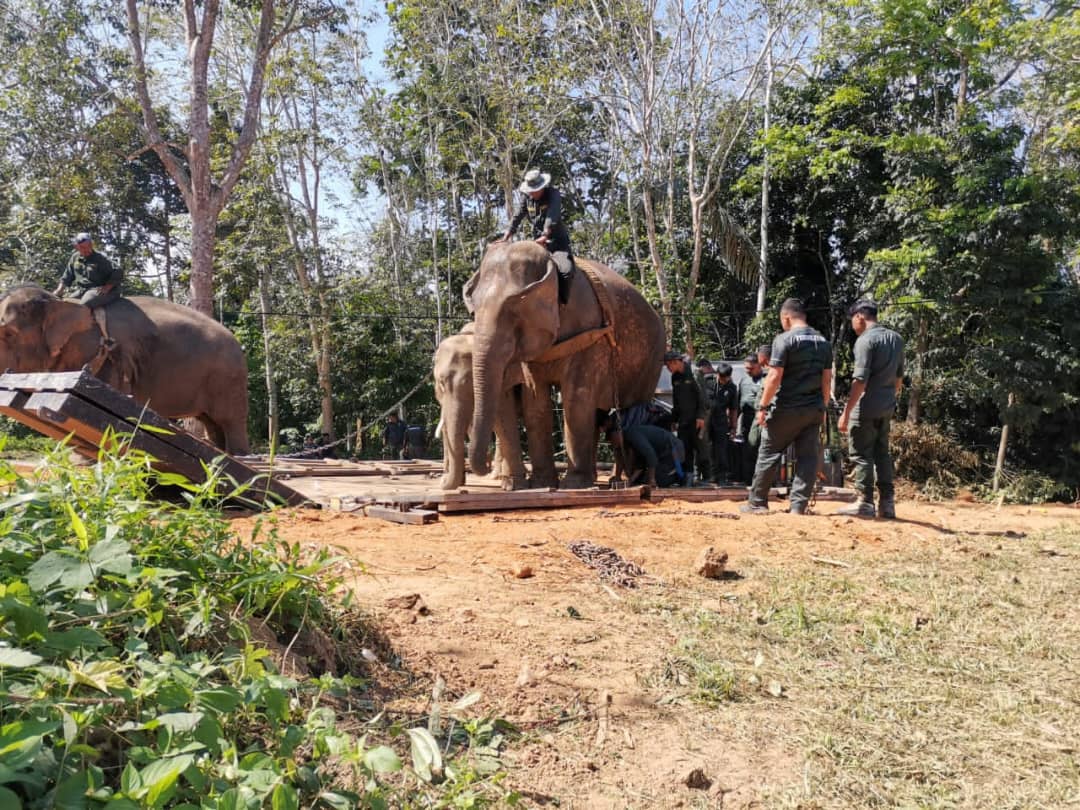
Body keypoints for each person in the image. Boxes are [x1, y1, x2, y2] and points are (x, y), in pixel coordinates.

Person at [741, 298, 833, 515]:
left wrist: (762, 407)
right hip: (813, 410)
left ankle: (757, 503)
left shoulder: (784, 340)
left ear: (786, 317)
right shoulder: (823, 342)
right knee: (808, 457)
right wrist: (823, 408)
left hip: (787, 409)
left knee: (769, 452)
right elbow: (827, 379)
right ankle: (798, 507)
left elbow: (774, 376)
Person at [836, 300, 905, 519]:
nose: (852, 326)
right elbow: (899, 378)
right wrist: (889, 400)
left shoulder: (865, 341)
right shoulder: (897, 339)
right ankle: (887, 503)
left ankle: (864, 502)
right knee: (882, 453)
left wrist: (846, 413)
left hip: (865, 407)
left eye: (852, 321)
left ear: (859, 317)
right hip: (886, 406)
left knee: (862, 455)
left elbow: (859, 381)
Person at [499, 169, 575, 304]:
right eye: (530, 191)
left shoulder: (553, 194)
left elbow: (552, 215)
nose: (532, 193)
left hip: (556, 242)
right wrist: (508, 232)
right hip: (536, 243)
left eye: (535, 190)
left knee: (566, 271)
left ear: (542, 187)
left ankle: (562, 303)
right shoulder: (527, 198)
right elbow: (518, 215)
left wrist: (546, 234)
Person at [665, 351, 711, 484]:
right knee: (684, 448)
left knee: (701, 447)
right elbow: (676, 399)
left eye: (668, 365)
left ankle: (707, 477)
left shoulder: (695, 373)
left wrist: (701, 417)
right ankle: (688, 477)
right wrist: (674, 419)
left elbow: (702, 397)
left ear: (676, 362)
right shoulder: (675, 377)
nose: (668, 369)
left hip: (697, 418)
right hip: (683, 419)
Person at [54, 232, 123, 310]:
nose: (87, 249)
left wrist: (107, 287)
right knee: (68, 304)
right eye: (83, 247)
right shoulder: (75, 257)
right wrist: (59, 291)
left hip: (102, 290)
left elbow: (118, 270)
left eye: (89, 246)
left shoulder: (101, 258)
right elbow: (67, 277)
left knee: (83, 305)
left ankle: (96, 321)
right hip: (83, 290)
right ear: (77, 247)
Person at [733, 353, 765, 483]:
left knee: (761, 451)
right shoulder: (744, 380)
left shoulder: (767, 379)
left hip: (761, 420)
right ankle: (748, 479)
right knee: (747, 450)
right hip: (746, 420)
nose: (748, 371)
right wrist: (734, 424)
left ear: (759, 366)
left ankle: (762, 480)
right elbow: (738, 402)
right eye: (746, 368)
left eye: (751, 368)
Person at [708, 362, 738, 485]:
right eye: (721, 378)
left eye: (726, 378)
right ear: (717, 374)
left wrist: (733, 427)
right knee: (707, 448)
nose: (723, 381)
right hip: (706, 420)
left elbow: (733, 409)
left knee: (721, 450)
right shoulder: (707, 381)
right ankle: (708, 476)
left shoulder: (732, 387)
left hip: (720, 421)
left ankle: (722, 477)